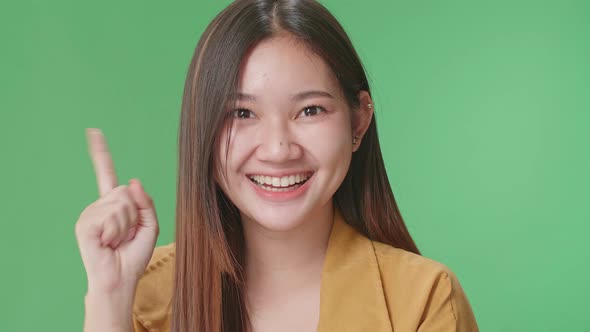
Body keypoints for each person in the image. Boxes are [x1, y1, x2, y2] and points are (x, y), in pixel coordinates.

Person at [75, 0, 479, 331]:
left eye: (310, 110)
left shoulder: (424, 299)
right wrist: (110, 296)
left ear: (358, 121)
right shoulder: (144, 299)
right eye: (242, 114)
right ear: (203, 132)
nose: (278, 149)